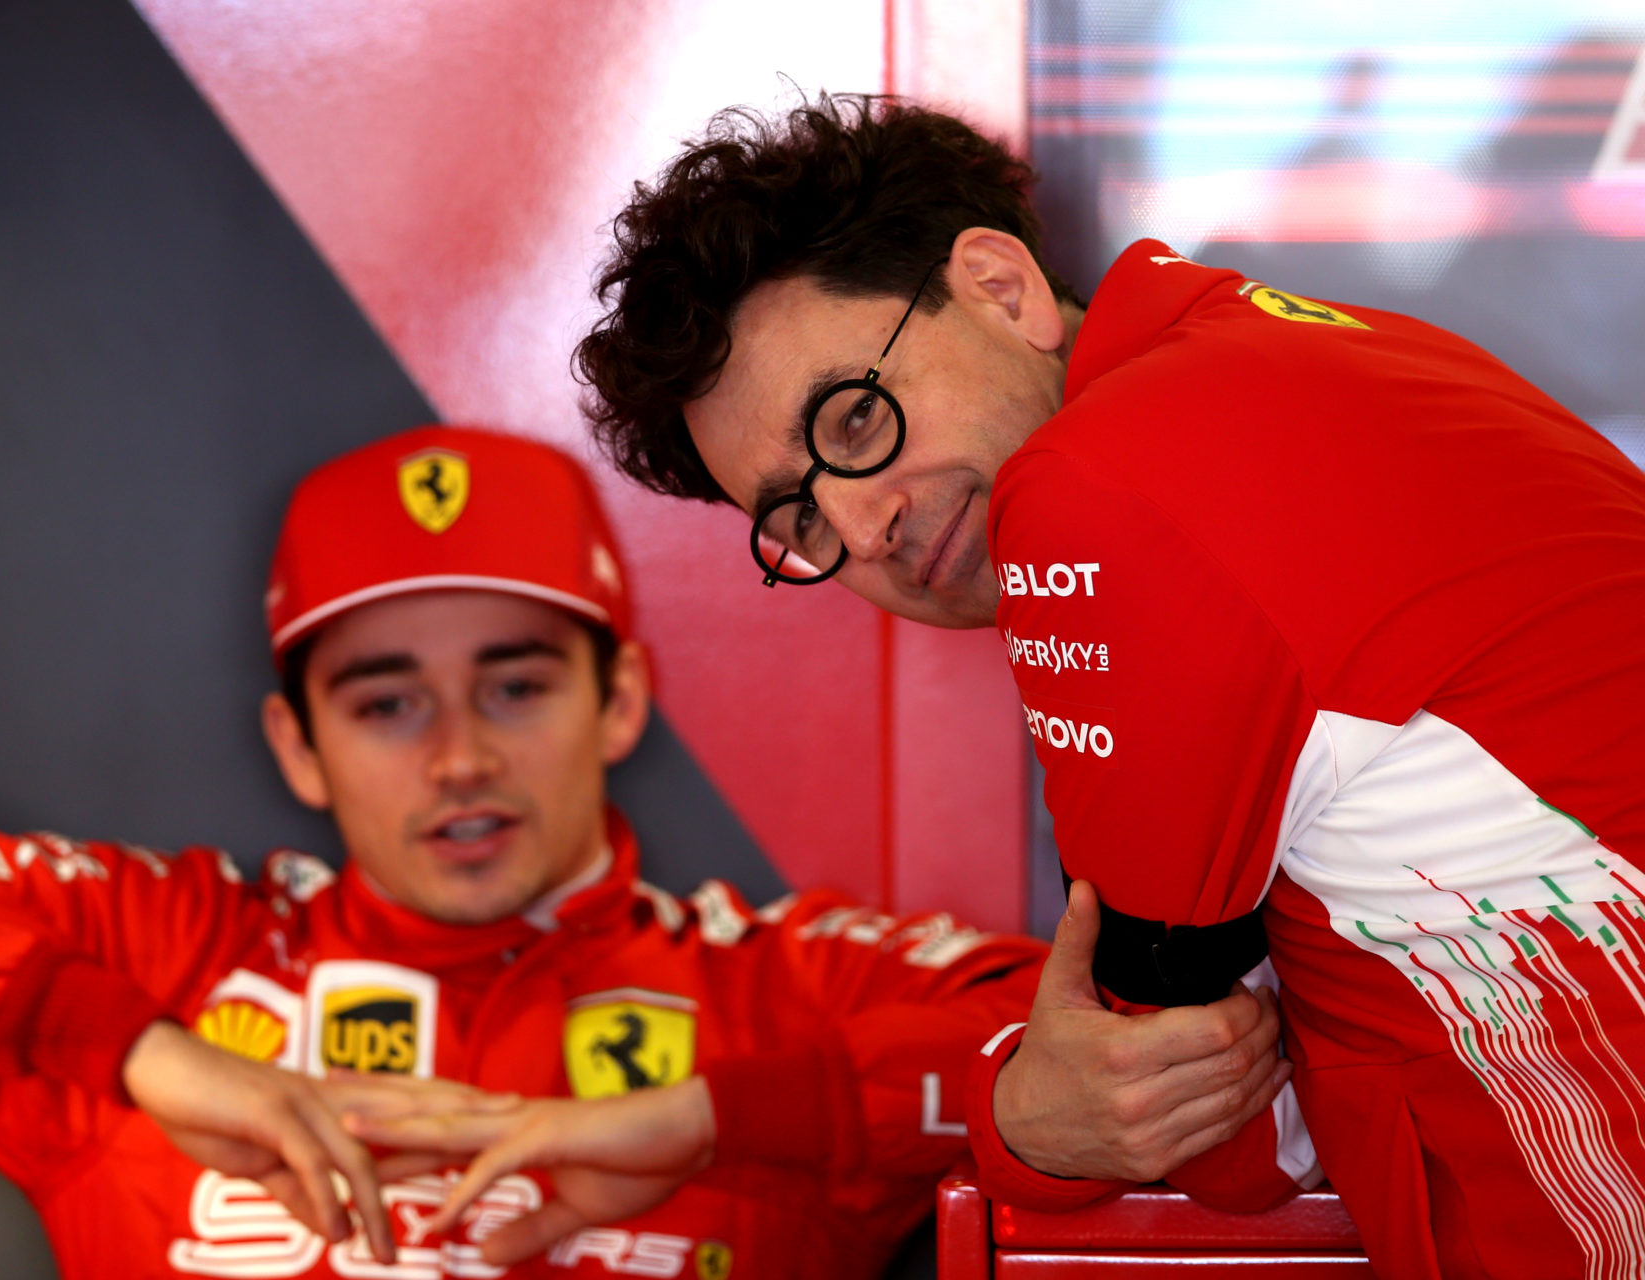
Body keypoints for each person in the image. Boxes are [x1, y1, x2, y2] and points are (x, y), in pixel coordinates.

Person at [537, 94, 1645, 1279]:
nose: (864, 525)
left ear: (1002, 288)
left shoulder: (1098, 490)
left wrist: (1018, 1122)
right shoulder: (1306, 353)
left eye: (854, 418)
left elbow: (1201, 1129)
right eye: (798, 517)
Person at [0, 425, 1281, 1279]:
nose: (462, 757)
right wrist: (156, 1059)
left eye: (516, 683)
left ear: (618, 698)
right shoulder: (171, 951)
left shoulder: (783, 981)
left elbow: (1130, 1067)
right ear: (297, 747)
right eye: (385, 701)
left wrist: (708, 1115)